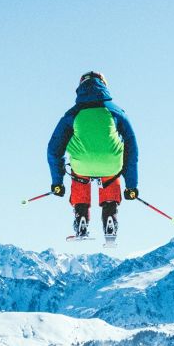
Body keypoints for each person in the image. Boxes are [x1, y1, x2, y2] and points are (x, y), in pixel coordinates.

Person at [47, 71, 139, 244]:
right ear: (104, 85)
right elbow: (132, 148)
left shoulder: (72, 114)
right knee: (110, 173)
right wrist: (131, 186)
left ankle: (81, 218)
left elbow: (54, 149)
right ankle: (110, 216)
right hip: (111, 164)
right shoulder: (116, 111)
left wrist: (57, 182)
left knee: (79, 173)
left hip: (82, 165)